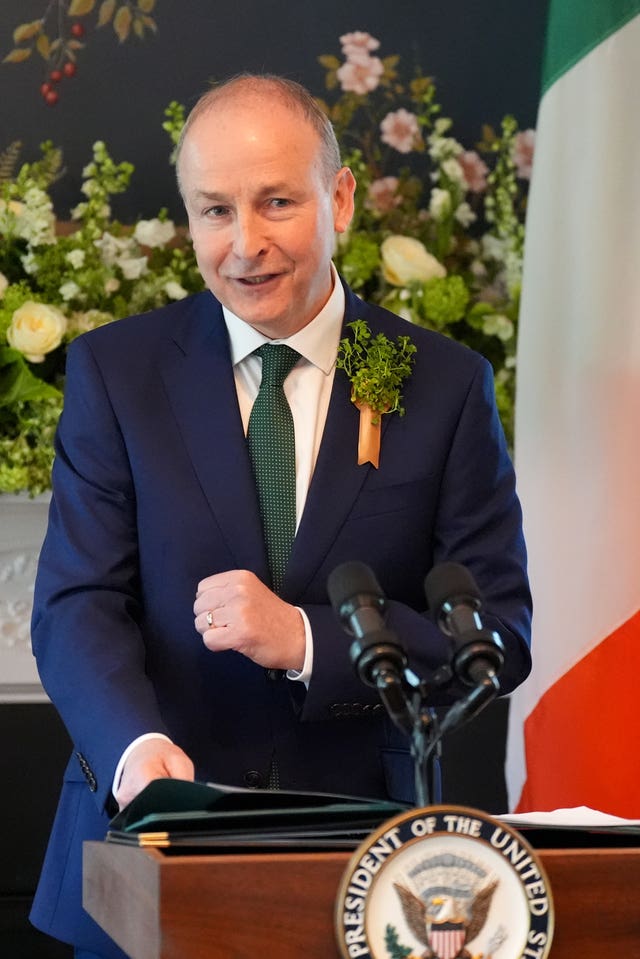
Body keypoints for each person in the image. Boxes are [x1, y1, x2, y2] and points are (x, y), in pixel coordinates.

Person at [30, 74, 532, 958]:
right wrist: (135, 749)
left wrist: (307, 640)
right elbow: (77, 603)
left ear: (338, 197)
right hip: (145, 858)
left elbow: (499, 635)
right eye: (215, 211)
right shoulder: (117, 372)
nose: (245, 244)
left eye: (275, 203)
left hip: (370, 868)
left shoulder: (442, 383)